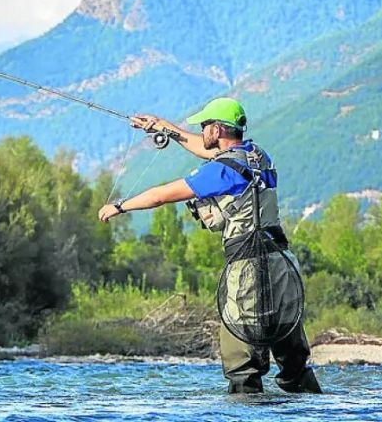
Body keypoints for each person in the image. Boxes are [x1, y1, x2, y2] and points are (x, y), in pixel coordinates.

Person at [98, 97, 322, 394]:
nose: (202, 131)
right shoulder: (258, 155)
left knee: (242, 365)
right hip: (282, 263)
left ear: (217, 130)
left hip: (247, 269)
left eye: (205, 126)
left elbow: (161, 195)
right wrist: (161, 126)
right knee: (293, 360)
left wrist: (120, 206)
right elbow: (204, 148)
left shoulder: (220, 172)